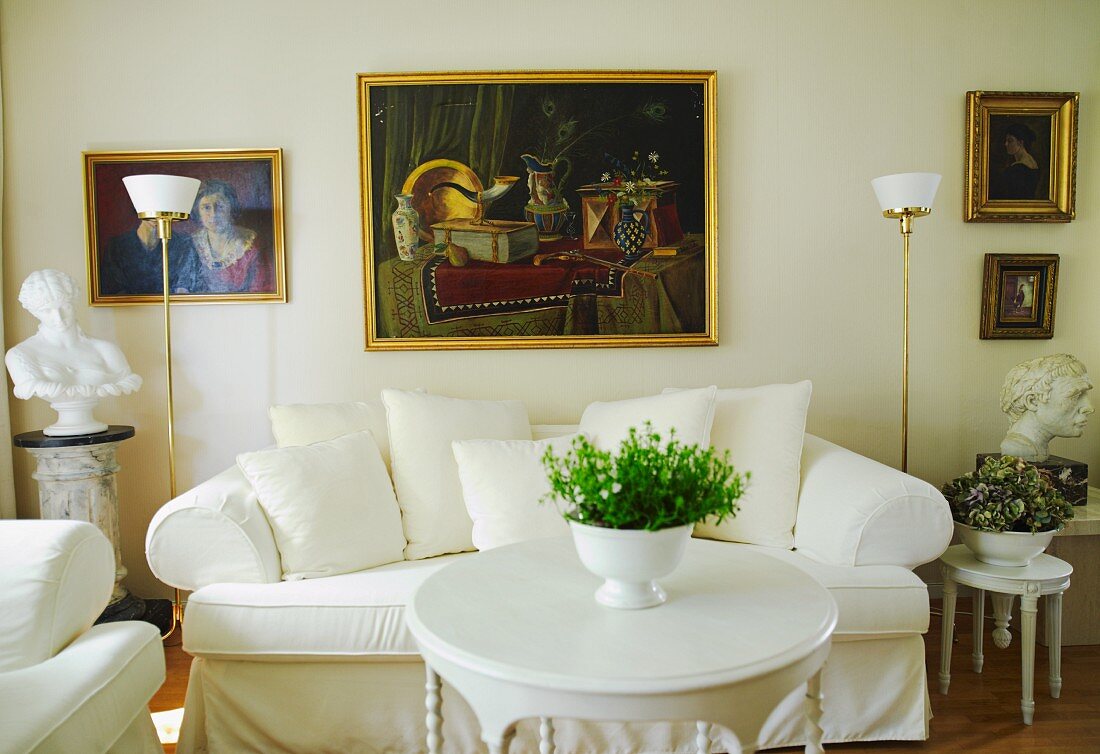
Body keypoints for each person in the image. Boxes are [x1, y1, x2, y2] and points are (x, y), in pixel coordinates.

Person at [5, 269, 142, 403]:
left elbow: (127, 379)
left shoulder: (106, 350)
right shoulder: (20, 355)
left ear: (74, 304)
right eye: (47, 311)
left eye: (65, 307)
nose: (59, 317)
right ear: (34, 312)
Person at [1000, 354, 1093, 461]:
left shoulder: (1037, 448)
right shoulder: (1015, 449)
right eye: (1075, 396)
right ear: (1032, 401)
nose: (1089, 408)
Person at [189, 179, 274, 293]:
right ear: (198, 212)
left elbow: (262, 290)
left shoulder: (251, 244)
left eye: (220, 206)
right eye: (206, 207)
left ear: (231, 208)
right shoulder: (191, 244)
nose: (213, 214)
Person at [99, 218, 202, 295]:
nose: (156, 214)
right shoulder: (117, 246)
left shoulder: (183, 245)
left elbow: (184, 288)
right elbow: (112, 289)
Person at [989, 123, 1040, 200]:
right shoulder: (1032, 162)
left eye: (1010, 141)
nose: (1006, 144)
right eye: (1006, 141)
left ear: (1020, 143)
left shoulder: (1017, 170)